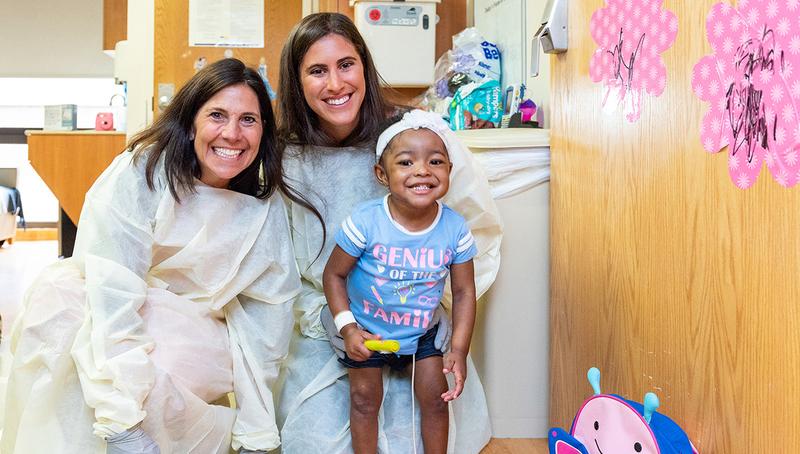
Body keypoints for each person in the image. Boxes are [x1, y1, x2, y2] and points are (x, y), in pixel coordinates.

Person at [0, 58, 307, 454]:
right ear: (191, 120)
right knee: (56, 303)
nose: (232, 134)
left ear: (264, 131)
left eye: (248, 119)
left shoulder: (264, 205)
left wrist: (255, 428)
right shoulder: (142, 173)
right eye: (217, 115)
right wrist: (120, 420)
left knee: (163, 361)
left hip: (201, 339)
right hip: (129, 312)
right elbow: (112, 286)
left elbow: (267, 320)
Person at [276, 13, 503, 453]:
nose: (336, 84)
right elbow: (288, 263)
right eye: (317, 71)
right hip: (340, 321)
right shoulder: (287, 156)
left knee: (426, 420)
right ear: (296, 81)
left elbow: (473, 237)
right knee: (328, 435)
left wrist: (431, 311)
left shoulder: (415, 136)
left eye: (346, 64)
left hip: (419, 322)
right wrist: (340, 320)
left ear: (364, 64)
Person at [323, 110, 478, 454]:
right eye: (406, 163)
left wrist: (459, 349)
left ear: (449, 171)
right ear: (382, 174)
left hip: (421, 329)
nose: (423, 170)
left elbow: (466, 292)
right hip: (366, 325)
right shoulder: (365, 222)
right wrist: (349, 329)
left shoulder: (454, 229)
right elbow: (333, 274)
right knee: (365, 399)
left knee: (436, 399)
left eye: (435, 161)